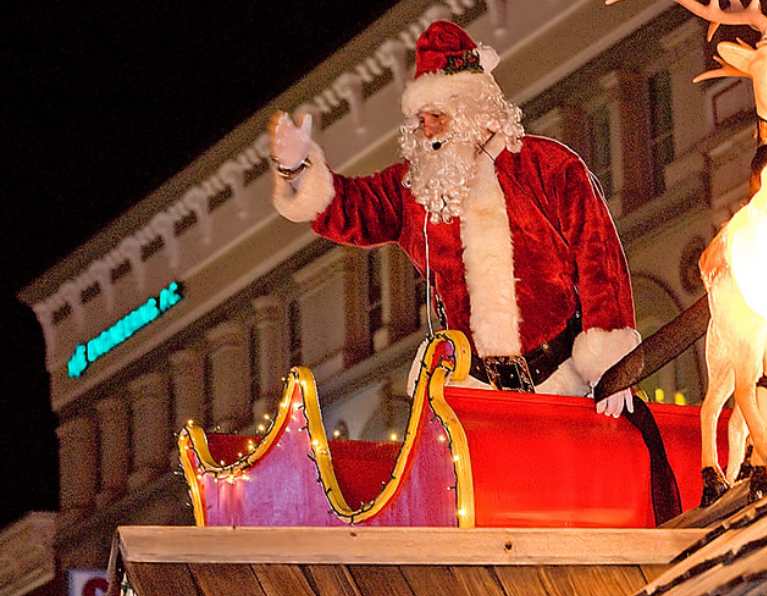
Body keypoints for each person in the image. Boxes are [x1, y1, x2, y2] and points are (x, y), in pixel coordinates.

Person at [269, 21, 639, 417]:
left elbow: (599, 260)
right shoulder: (415, 188)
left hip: (561, 383)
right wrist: (297, 170)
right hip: (471, 397)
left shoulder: (548, 167)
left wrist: (611, 364)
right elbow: (350, 208)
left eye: (437, 116)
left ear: (472, 109)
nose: (427, 129)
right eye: (420, 119)